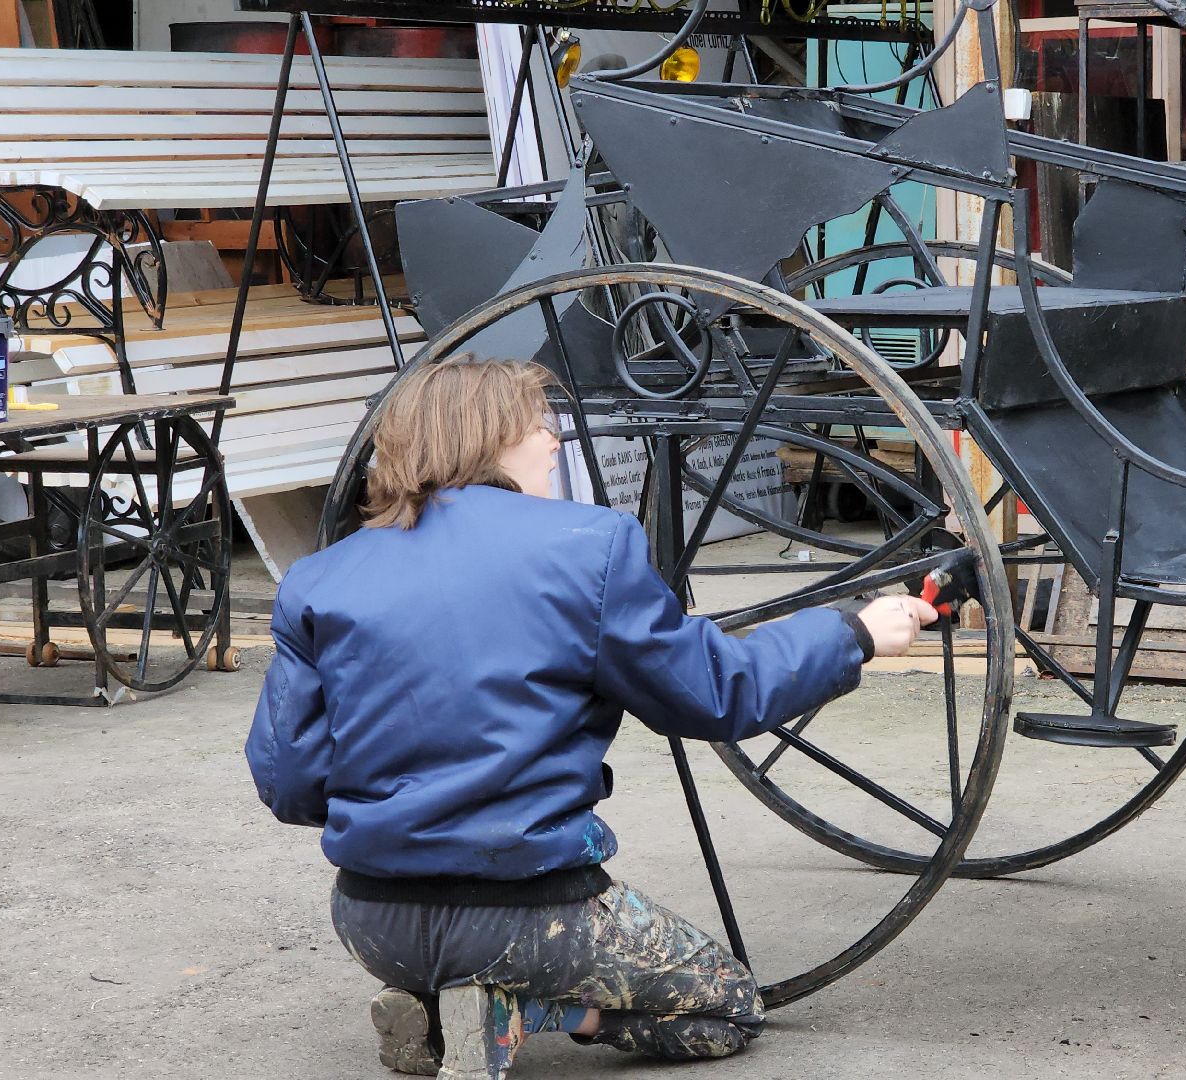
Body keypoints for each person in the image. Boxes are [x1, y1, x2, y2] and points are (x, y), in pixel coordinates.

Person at [244, 357, 939, 1077]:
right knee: (726, 1005)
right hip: (529, 917)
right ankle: (530, 1010)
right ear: (492, 435)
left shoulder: (318, 578)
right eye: (541, 425)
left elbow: (290, 782)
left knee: (458, 933)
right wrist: (852, 635)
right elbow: (717, 693)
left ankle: (437, 996)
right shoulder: (589, 548)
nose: (553, 443)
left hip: (370, 920)